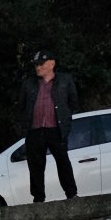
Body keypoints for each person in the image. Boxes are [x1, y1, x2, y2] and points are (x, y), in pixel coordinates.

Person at [18, 50, 80, 202]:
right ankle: (38, 198)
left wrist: (64, 121)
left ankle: (71, 194)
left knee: (63, 162)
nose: (38, 68)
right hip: (35, 130)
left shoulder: (65, 80)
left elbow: (73, 103)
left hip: (56, 130)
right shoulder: (28, 83)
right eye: (36, 65)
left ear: (52, 64)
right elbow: (21, 106)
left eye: (41, 64)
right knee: (36, 166)